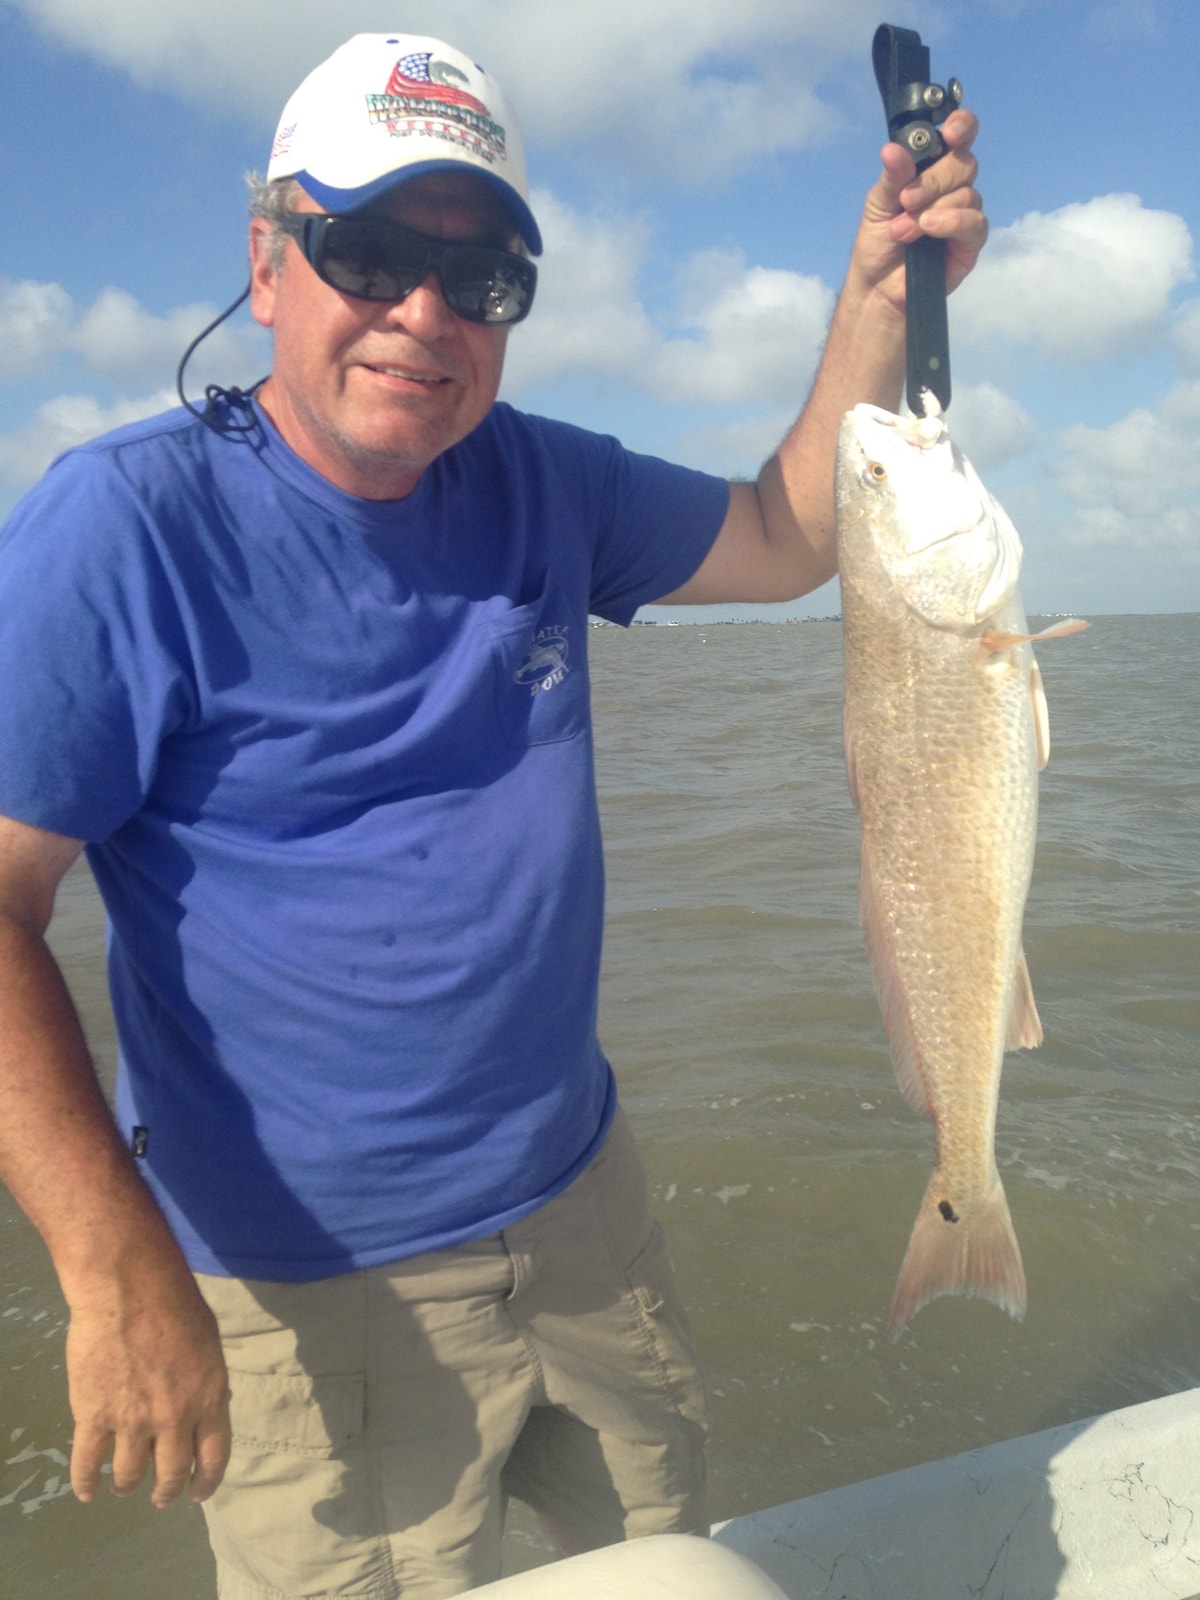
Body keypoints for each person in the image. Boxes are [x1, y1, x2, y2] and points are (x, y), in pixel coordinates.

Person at [0, 31, 986, 1600]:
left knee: (669, 1562)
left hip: (581, 1207)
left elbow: (790, 535)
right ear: (268, 264)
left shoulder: (542, 481)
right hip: (308, 1283)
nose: (423, 315)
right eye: (370, 251)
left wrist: (878, 297)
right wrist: (114, 1269)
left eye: (483, 281)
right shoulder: (117, 532)